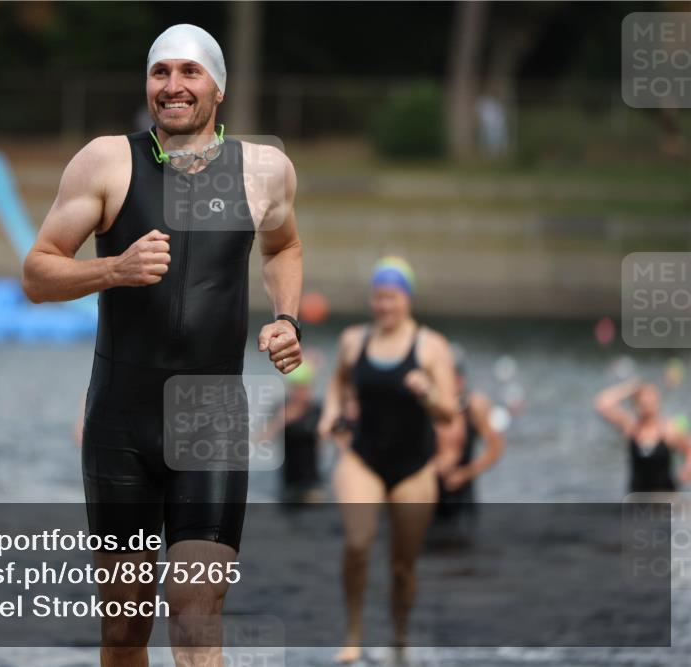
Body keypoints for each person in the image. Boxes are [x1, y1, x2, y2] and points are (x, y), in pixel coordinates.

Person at [22, 24, 303, 667]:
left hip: (209, 416)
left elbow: (284, 245)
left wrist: (287, 319)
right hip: (122, 418)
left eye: (189, 73)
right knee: (124, 634)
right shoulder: (106, 162)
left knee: (196, 619)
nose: (173, 86)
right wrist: (112, 270)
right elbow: (38, 272)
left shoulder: (265, 170)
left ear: (218, 87)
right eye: (160, 73)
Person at [317, 256, 457, 665]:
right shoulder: (353, 340)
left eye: (392, 298)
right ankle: (353, 634)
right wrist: (330, 412)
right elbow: (339, 378)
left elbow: (448, 412)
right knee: (358, 544)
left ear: (407, 299)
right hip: (363, 458)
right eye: (378, 297)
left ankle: (399, 634)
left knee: (402, 567)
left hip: (414, 467)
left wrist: (427, 392)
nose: (384, 306)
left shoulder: (431, 346)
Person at [433, 347, 505, 524]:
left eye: (456, 377)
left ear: (460, 380)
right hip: (429, 492)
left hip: (463, 492)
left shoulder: (474, 406)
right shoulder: (427, 406)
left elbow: (496, 448)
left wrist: (465, 473)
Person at [595, 379, 691, 494]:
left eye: (650, 399)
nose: (646, 403)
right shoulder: (630, 427)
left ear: (657, 401)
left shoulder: (669, 429)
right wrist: (630, 388)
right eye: (642, 400)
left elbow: (689, 451)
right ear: (636, 403)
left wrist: (686, 471)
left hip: (665, 496)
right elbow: (602, 404)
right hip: (637, 497)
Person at [260, 360, 324, 503]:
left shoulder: (317, 411)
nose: (301, 393)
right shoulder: (281, 408)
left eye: (305, 388)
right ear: (291, 388)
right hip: (287, 486)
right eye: (297, 388)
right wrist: (280, 420)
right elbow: (260, 441)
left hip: (312, 486)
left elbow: (335, 439)